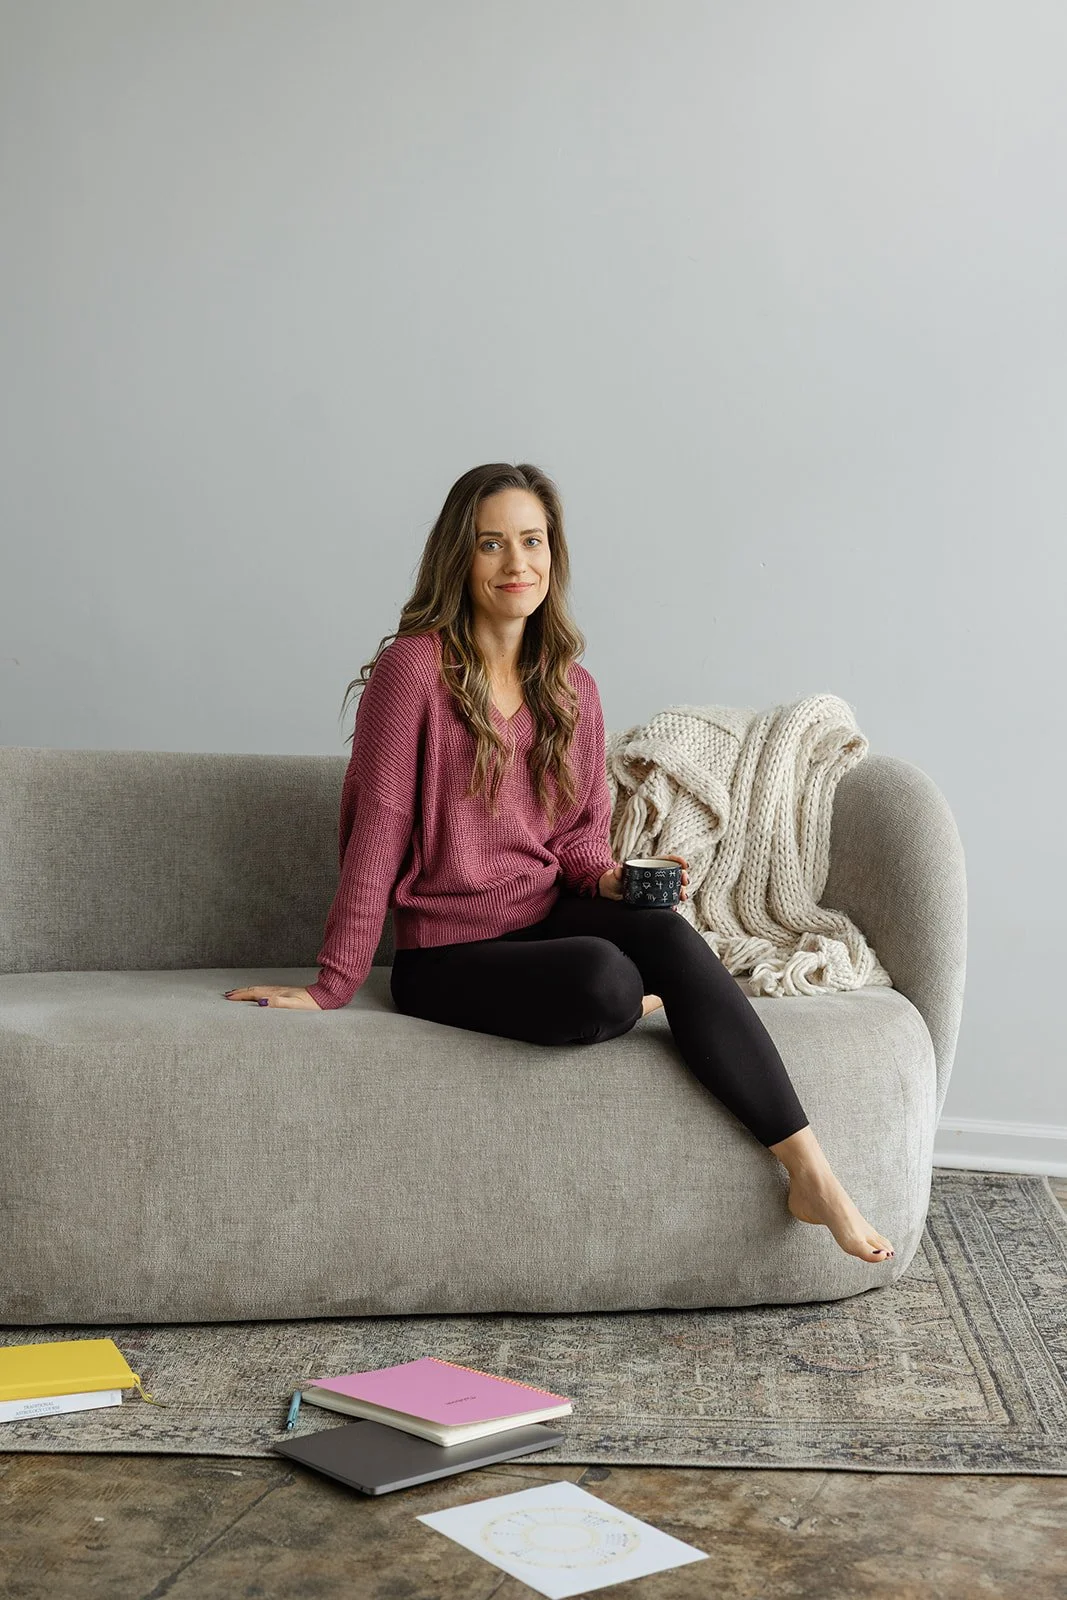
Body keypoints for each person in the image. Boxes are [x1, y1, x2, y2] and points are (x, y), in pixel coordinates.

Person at [226, 462, 894, 1266]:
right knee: (607, 981)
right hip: (447, 953)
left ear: (554, 554)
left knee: (662, 931)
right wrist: (333, 982)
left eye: (533, 541)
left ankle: (809, 1172)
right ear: (458, 560)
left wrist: (613, 879)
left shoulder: (571, 687)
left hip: (543, 910)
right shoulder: (415, 672)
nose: (517, 563)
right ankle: (637, 1000)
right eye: (492, 544)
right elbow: (380, 827)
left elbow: (577, 841)